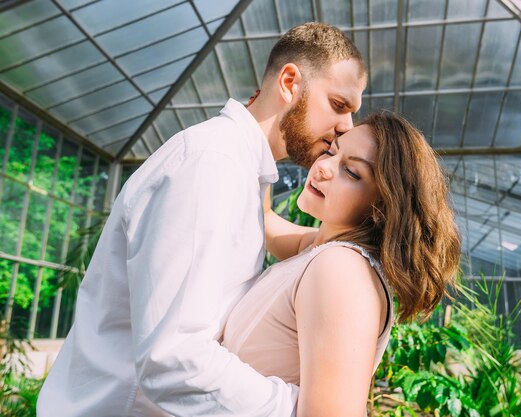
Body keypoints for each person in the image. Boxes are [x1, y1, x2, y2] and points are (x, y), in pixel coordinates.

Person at [37, 22, 367, 417]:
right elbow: (173, 358)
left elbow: (270, 225)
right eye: (338, 104)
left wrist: (346, 240)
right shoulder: (212, 165)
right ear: (290, 82)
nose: (347, 125)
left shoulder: (240, 170)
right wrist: (310, 408)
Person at [221, 111, 462, 416]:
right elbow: (265, 218)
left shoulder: (341, 269)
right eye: (332, 152)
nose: (322, 168)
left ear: (380, 207)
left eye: (351, 172)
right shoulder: (319, 248)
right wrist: (266, 123)